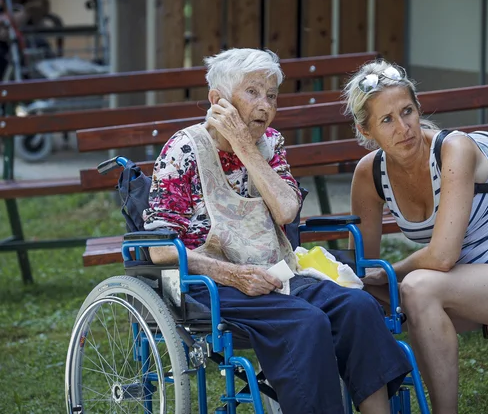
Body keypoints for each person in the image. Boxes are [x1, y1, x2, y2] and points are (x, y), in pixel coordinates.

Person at [143, 48, 412, 414]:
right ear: (217, 100)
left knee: (358, 306)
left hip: (274, 273)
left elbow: (286, 212)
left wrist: (244, 147)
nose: (265, 105)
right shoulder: (183, 149)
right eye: (253, 92)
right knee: (307, 322)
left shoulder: (269, 144)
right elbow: (159, 250)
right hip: (210, 284)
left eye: (271, 95)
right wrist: (233, 274)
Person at [343, 60, 488, 413]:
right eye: (387, 120)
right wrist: (357, 282)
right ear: (367, 131)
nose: (404, 127)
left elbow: (441, 258)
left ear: (419, 108)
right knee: (363, 297)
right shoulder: (369, 174)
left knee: (417, 287)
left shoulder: (454, 149)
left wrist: (390, 272)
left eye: (407, 111)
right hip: (479, 283)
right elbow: (361, 269)